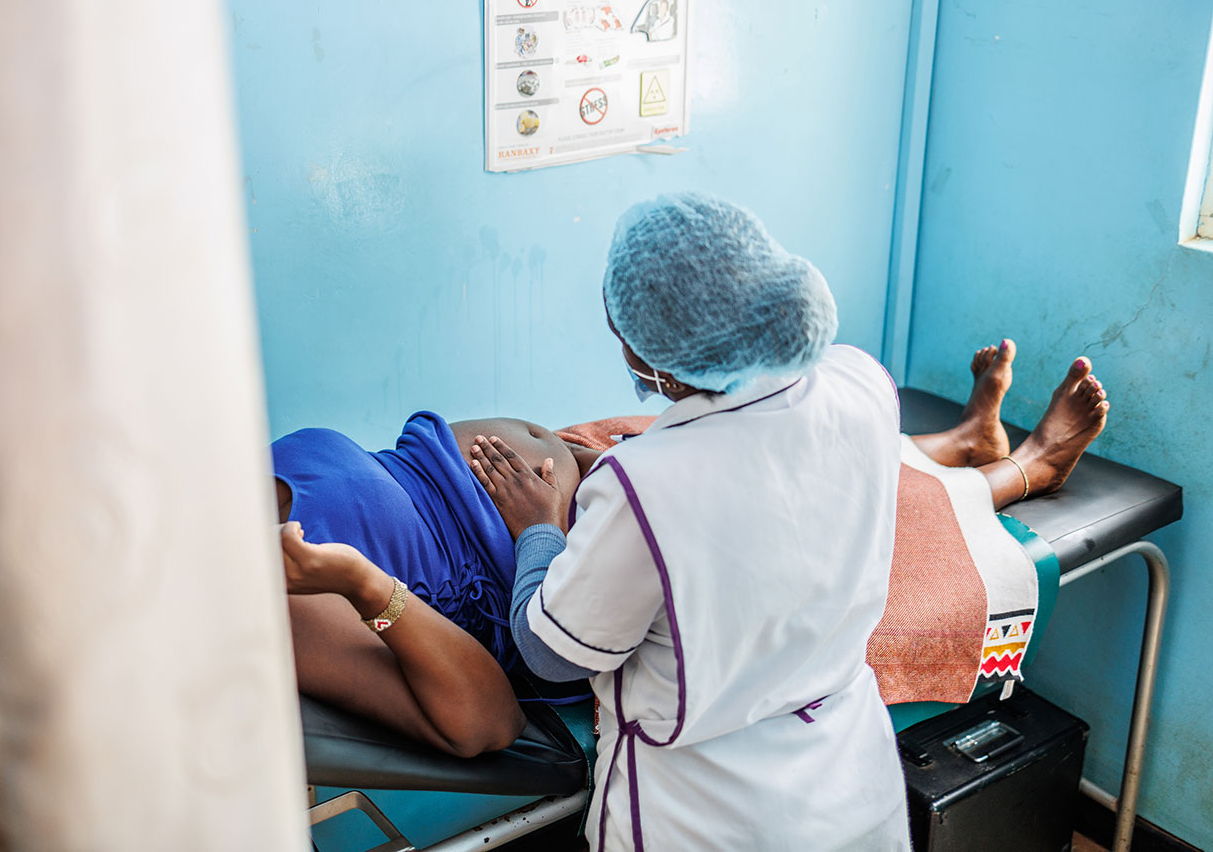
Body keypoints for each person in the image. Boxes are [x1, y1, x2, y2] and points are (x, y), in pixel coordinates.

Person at [275, 250, 1108, 772]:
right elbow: (484, 719)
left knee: (779, 434)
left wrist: (571, 474)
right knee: (801, 498)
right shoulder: (277, 585)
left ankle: (962, 439)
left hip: (579, 473)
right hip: (561, 554)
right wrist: (545, 519)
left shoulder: (228, 478)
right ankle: (1025, 470)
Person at [463, 194, 1105, 850]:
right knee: (913, 480)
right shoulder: (861, 381)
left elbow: (550, 654)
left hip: (701, 816)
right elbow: (764, 467)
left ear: (649, 353)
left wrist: (537, 525)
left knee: (923, 504)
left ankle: (1024, 462)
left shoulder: (639, 489)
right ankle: (999, 451)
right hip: (846, 785)